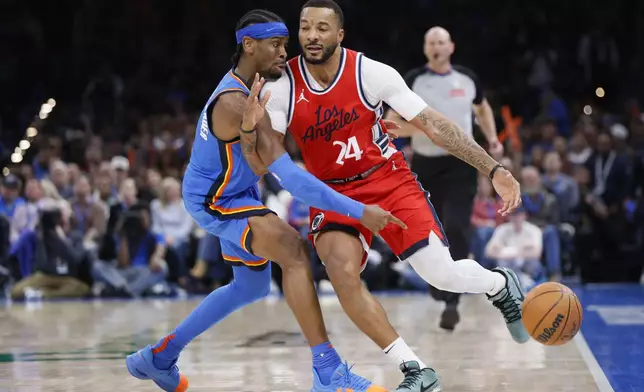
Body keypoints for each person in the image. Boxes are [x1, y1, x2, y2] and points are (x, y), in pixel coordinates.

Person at [253, 1, 528, 391]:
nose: (312, 36)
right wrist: (252, 130)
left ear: (339, 35)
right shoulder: (283, 84)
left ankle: (499, 285)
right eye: (304, 27)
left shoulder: (371, 73)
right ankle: (416, 369)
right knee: (340, 272)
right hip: (332, 193)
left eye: (321, 28)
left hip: (388, 181)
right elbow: (268, 156)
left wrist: (494, 170)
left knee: (442, 275)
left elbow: (435, 125)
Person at [125, 9, 399, 392]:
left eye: (286, 44)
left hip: (237, 190)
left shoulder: (258, 89)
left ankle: (159, 357)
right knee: (294, 251)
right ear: (248, 46)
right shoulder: (235, 102)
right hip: (215, 198)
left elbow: (260, 157)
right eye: (276, 45)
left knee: (250, 288)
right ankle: (328, 373)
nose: (284, 53)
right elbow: (290, 181)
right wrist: (359, 211)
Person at [385, 26, 503, 331]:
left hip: (462, 162)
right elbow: (391, 122)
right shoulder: (413, 80)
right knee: (428, 228)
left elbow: (483, 107)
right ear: (426, 49)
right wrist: (427, 129)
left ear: (451, 46)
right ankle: (437, 279)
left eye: (441, 42)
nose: (437, 47)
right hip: (425, 163)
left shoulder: (466, 78)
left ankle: (452, 300)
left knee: (456, 225)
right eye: (431, 43)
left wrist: (492, 138)